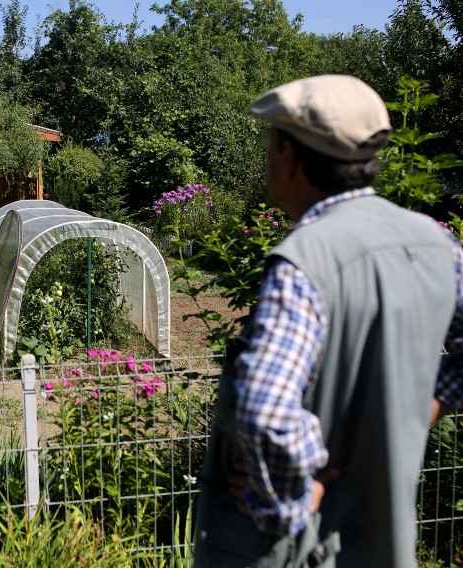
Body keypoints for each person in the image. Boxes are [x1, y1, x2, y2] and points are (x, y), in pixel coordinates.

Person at [192, 75, 463, 567]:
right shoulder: (436, 244)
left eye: (269, 145)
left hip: (295, 549)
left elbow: (265, 412)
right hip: (383, 537)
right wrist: (418, 412)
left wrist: (291, 502)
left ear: (288, 157)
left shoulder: (303, 262)